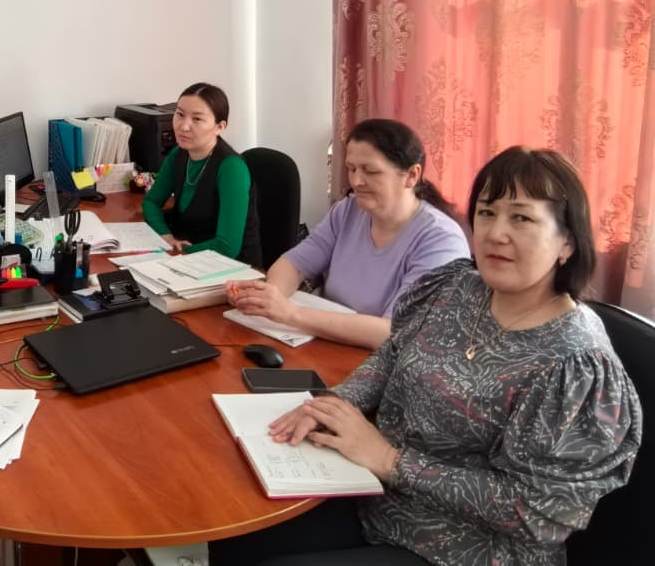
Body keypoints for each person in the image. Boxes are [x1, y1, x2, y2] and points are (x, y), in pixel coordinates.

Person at [209, 146, 642, 566]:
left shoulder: (575, 363)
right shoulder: (457, 288)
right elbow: (392, 355)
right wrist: (334, 404)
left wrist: (390, 460)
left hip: (467, 549)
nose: (496, 232)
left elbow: (537, 512)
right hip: (377, 496)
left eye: (522, 217)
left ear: (567, 241)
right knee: (230, 536)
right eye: (486, 212)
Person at [229, 118, 468, 349]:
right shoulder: (347, 211)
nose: (356, 181)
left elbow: (393, 333)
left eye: (370, 171)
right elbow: (294, 264)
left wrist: (290, 313)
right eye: (351, 169)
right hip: (328, 345)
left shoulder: (441, 241)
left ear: (412, 175)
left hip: (383, 363)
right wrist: (269, 297)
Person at [142, 82, 260, 264]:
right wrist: (166, 237)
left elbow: (227, 247)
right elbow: (151, 202)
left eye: (197, 119)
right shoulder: (178, 154)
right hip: (185, 258)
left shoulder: (231, 167)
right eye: (180, 114)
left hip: (230, 267)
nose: (184, 126)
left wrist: (179, 253)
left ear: (219, 127)